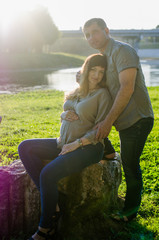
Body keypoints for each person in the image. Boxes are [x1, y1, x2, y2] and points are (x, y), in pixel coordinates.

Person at [18, 53, 113, 240]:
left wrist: (77, 144)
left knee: (48, 174)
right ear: (85, 70)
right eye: (93, 70)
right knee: (25, 147)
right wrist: (64, 116)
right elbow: (67, 108)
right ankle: (52, 200)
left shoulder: (103, 95)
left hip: (88, 148)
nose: (96, 75)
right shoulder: (79, 90)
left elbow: (101, 130)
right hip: (64, 142)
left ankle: (45, 229)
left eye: (101, 72)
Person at [79, 18, 154, 222]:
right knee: (128, 162)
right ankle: (108, 153)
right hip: (125, 121)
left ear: (106, 30)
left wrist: (108, 122)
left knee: (130, 165)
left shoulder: (122, 51)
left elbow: (126, 88)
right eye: (87, 35)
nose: (91, 37)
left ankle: (129, 213)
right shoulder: (103, 57)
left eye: (94, 32)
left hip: (137, 119)